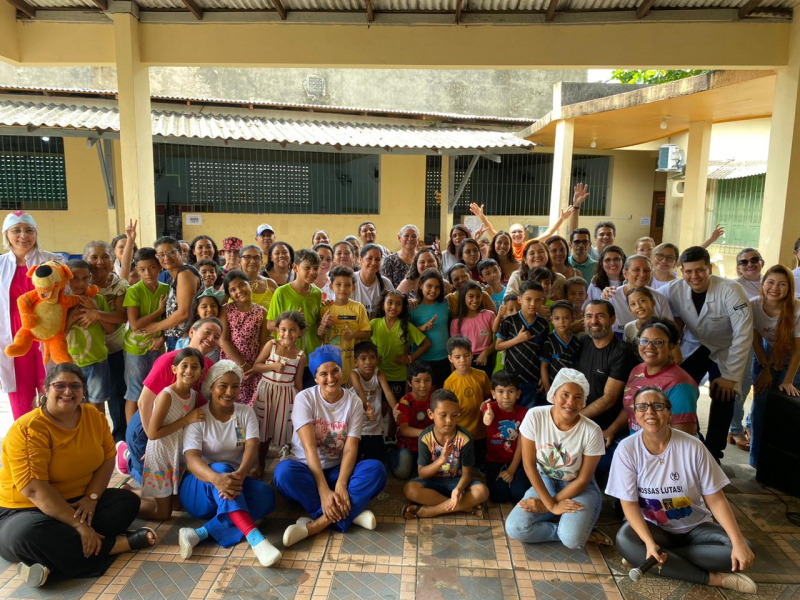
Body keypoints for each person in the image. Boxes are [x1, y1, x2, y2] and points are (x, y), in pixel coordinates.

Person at [0, 364, 155, 587]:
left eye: (75, 386)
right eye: (59, 386)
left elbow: (107, 459)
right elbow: (35, 490)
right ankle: (117, 545)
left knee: (126, 502)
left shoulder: (94, 416)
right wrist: (80, 526)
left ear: (83, 390)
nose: (68, 392)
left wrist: (91, 498)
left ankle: (50, 564)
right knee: (27, 534)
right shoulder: (29, 429)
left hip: (78, 504)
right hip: (24, 511)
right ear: (45, 389)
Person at [607, 387, 757, 594]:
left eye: (657, 406)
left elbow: (716, 499)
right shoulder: (627, 449)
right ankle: (714, 579)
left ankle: (655, 558)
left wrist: (738, 540)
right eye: (642, 407)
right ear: (635, 414)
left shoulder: (693, 447)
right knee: (625, 539)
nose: (649, 411)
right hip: (655, 529)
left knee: (741, 550)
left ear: (669, 413)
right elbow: (628, 503)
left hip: (696, 527)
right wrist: (650, 543)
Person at [272, 345, 387, 547]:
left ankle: (317, 524)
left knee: (376, 469)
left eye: (335, 371)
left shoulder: (353, 402)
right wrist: (324, 491)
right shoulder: (304, 399)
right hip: (306, 469)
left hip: (337, 470)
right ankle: (349, 514)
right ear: (315, 378)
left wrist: (341, 484)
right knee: (283, 473)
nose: (330, 378)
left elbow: (351, 447)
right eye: (323, 374)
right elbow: (308, 448)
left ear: (342, 372)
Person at [177, 361, 282, 567]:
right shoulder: (199, 416)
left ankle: (199, 533)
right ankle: (256, 540)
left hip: (234, 484)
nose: (229, 392)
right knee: (222, 469)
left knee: (266, 496)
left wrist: (241, 474)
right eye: (223, 386)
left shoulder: (245, 413)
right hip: (199, 488)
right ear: (211, 387)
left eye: (235, 386)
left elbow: (251, 446)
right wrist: (217, 479)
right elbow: (192, 459)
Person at [663, 246, 753, 462]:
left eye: (700, 270)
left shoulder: (731, 290)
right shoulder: (674, 288)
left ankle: (714, 454)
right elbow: (649, 296)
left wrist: (730, 377)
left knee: (724, 396)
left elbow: (743, 334)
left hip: (727, 348)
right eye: (688, 271)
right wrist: (616, 292)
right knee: (678, 391)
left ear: (709, 268)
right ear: (681, 271)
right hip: (696, 345)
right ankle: (678, 443)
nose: (694, 277)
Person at [504, 369, 606, 549]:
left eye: (577, 397)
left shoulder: (592, 431)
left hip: (578, 488)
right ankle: (567, 526)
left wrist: (545, 506)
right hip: (545, 482)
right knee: (515, 528)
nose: (570, 403)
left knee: (572, 541)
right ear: (553, 394)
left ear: (584, 401)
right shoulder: (535, 416)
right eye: (565, 395)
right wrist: (552, 505)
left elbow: (583, 479)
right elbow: (529, 465)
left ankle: (573, 527)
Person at [119, 318, 222, 483]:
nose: (211, 339)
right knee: (153, 483)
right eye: (207, 333)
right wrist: (152, 445)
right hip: (148, 428)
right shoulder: (169, 360)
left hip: (175, 431)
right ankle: (129, 461)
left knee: (174, 486)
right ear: (191, 332)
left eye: (216, 337)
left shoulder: (209, 366)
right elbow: (144, 403)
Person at [0, 211, 62, 420]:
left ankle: (54, 440)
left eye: (28, 230)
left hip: (46, 337)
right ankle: (26, 443)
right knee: (20, 396)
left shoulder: (53, 261)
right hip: (14, 339)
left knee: (52, 390)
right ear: (6, 235)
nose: (23, 236)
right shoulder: (0, 266)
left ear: (36, 233)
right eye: (16, 230)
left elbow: (65, 298)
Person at [402, 389, 490, 519]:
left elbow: (467, 474)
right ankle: (466, 508)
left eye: (454, 415)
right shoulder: (425, 437)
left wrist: (458, 489)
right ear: (430, 414)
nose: (449, 420)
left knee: (482, 492)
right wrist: (440, 461)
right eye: (443, 415)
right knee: (410, 489)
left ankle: (431, 511)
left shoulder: (465, 439)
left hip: (456, 482)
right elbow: (422, 473)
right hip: (432, 482)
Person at [139, 348, 205, 520]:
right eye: (184, 365)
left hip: (177, 455)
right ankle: (130, 500)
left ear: (201, 372)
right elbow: (153, 433)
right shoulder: (166, 396)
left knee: (178, 506)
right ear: (174, 369)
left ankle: (133, 491)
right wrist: (187, 419)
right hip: (161, 455)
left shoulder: (193, 396)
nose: (189, 371)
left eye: (195, 367)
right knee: (163, 514)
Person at [577, 300, 637, 478]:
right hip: (582, 420)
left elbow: (609, 398)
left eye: (600, 316)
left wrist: (574, 418)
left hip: (607, 426)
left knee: (604, 467)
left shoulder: (621, 352)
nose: (593, 321)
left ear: (612, 320)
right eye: (589, 316)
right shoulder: (583, 342)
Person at [749, 264, 800, 468]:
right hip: (766, 355)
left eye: (782, 284)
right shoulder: (753, 305)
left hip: (794, 360)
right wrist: (765, 369)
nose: (775, 288)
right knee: (760, 406)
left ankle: (780, 464)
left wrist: (787, 380)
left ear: (790, 287)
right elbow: (755, 339)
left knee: (786, 408)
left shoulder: (796, 308)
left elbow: (797, 351)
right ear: (762, 284)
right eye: (770, 282)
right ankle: (757, 459)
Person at [82, 239, 130, 442]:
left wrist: (97, 314)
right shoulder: (79, 284)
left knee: (118, 392)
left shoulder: (120, 285)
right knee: (90, 395)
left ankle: (119, 436)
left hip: (114, 346)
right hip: (87, 350)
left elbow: (122, 316)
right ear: (85, 260)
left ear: (112, 261)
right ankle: (91, 435)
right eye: (94, 257)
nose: (99, 262)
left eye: (105, 257)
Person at [620, 319, 699, 436]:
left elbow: (683, 437)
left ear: (671, 347)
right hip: (637, 444)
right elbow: (630, 408)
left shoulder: (680, 384)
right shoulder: (637, 370)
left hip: (665, 450)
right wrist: (610, 431)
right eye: (644, 341)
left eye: (658, 342)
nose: (649, 347)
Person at [252, 311, 306, 475]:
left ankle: (288, 463)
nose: (287, 334)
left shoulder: (300, 356)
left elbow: (297, 382)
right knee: (264, 431)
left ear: (300, 332)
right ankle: (260, 464)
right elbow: (256, 366)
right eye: (283, 329)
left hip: (286, 396)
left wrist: (301, 403)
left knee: (285, 429)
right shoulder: (272, 346)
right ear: (277, 330)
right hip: (266, 392)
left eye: (292, 330)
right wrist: (272, 367)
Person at [123, 248, 169, 423]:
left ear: (159, 267)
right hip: (135, 350)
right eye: (142, 270)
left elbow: (170, 321)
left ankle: (151, 429)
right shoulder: (134, 291)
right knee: (134, 393)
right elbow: (134, 324)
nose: (147, 273)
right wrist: (159, 310)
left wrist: (162, 338)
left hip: (157, 346)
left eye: (151, 268)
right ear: (136, 270)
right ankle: (130, 436)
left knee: (156, 391)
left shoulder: (166, 289)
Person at [64, 259, 113, 415]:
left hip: (96, 362)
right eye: (75, 278)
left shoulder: (98, 300)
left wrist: (97, 312)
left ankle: (98, 437)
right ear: (66, 279)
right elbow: (58, 336)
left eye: (85, 278)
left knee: (96, 405)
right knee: (72, 404)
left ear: (90, 278)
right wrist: (70, 318)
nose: (80, 283)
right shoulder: (61, 304)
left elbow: (110, 329)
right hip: (71, 363)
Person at [728, 247, 764, 450]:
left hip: (769, 340)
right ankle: (735, 429)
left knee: (762, 384)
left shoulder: (770, 281)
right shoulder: (734, 286)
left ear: (762, 262)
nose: (749, 264)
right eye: (744, 262)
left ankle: (750, 424)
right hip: (745, 341)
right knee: (742, 386)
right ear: (738, 267)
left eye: (754, 259)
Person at [496, 281, 550, 408]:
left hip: (532, 379)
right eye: (528, 299)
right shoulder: (509, 321)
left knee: (528, 415)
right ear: (520, 299)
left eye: (538, 300)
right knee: (510, 413)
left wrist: (543, 377)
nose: (533, 304)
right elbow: (498, 346)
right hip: (511, 379)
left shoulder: (543, 324)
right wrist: (517, 339)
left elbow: (544, 353)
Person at [219, 270, 269, 406]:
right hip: (231, 365)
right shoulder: (225, 310)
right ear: (229, 295)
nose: (239, 291)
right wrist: (242, 365)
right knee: (230, 401)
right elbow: (223, 340)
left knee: (251, 407)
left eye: (242, 285)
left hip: (253, 368)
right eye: (233, 289)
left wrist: (255, 367)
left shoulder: (262, 312)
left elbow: (263, 342)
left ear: (250, 285)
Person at [145, 236, 202, 351]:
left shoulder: (185, 274)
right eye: (161, 255)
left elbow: (183, 313)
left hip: (188, 339)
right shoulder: (173, 276)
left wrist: (155, 327)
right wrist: (164, 337)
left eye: (171, 252)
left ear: (181, 253)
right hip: (177, 338)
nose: (166, 258)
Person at [370, 290, 431, 399]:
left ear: (402, 308)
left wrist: (410, 358)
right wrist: (372, 356)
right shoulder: (373, 324)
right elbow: (364, 345)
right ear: (383, 305)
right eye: (390, 303)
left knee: (396, 409)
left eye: (398, 304)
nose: (394, 307)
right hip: (377, 374)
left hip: (399, 376)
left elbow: (426, 344)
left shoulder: (406, 326)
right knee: (381, 409)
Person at [481, 371, 530, 504]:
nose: (506, 397)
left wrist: (511, 470)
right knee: (499, 497)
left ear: (518, 394)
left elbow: (521, 445)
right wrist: (487, 418)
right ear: (493, 394)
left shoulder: (524, 413)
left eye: (510, 391)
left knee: (518, 495)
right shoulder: (490, 407)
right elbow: (486, 416)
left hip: (517, 461)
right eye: (501, 391)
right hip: (494, 461)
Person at [266, 249, 323, 364]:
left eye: (316, 268)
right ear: (295, 267)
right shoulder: (281, 292)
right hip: (287, 356)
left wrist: (324, 323)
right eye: (307, 268)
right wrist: (291, 321)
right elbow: (270, 324)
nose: (312, 272)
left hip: (312, 355)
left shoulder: (317, 293)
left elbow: (317, 323)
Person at [317, 265, 372, 382]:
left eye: (348, 285)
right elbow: (320, 337)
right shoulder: (325, 309)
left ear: (354, 288)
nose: (343, 288)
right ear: (331, 286)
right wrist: (322, 327)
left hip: (352, 364)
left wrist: (353, 335)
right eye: (338, 284)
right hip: (330, 364)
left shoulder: (358, 308)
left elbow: (367, 333)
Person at [443, 336, 492, 465]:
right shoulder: (449, 383)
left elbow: (489, 399)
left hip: (481, 433)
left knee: (481, 464)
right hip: (460, 434)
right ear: (450, 358)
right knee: (463, 465)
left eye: (466, 355)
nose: (462, 360)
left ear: (472, 355)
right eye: (457, 357)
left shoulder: (482, 376)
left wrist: (486, 406)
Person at [349, 341, 399, 463]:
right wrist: (367, 408)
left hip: (374, 428)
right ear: (356, 362)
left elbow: (387, 392)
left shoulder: (379, 374)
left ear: (377, 360)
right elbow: (360, 391)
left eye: (372, 358)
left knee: (377, 462)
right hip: (355, 428)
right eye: (363, 358)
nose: (368, 362)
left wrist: (395, 409)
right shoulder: (353, 374)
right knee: (353, 462)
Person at [390, 361, 434, 479]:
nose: (423, 385)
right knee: (402, 472)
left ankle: (416, 461)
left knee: (437, 470)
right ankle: (390, 451)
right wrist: (429, 432)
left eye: (427, 380)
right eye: (417, 381)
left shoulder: (435, 399)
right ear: (410, 383)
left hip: (430, 443)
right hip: (408, 443)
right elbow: (405, 430)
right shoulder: (405, 401)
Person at [608, 255, 673, 335]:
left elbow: (669, 330)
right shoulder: (611, 296)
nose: (642, 274)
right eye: (636, 270)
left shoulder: (659, 298)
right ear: (625, 273)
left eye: (646, 270)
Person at [409, 269, 452, 387]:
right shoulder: (413, 307)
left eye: (437, 287)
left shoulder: (445, 303)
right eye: (429, 286)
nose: (433, 290)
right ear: (421, 285)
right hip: (422, 359)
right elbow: (405, 334)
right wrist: (420, 328)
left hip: (444, 358)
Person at [623, 287, 683, 364]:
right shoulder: (629, 328)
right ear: (630, 309)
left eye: (642, 301)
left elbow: (677, 359)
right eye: (633, 304)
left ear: (653, 303)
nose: (638, 306)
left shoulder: (666, 326)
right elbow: (628, 355)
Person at [451, 281, 496, 378]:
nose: (475, 300)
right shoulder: (456, 322)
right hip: (465, 361)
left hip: (487, 359)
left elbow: (499, 339)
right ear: (463, 298)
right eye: (471, 296)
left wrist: (485, 353)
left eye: (478, 296)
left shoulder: (489, 315)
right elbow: (454, 348)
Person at [540, 300, 581, 393]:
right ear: (552, 320)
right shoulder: (548, 341)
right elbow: (544, 366)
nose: (561, 322)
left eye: (566, 318)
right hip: (553, 387)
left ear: (573, 319)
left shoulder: (577, 342)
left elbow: (578, 367)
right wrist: (548, 390)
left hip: (572, 388)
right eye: (557, 318)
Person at [353, 244, 395, 320]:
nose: (374, 263)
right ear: (360, 260)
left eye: (377, 259)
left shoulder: (386, 283)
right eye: (369, 258)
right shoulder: (350, 280)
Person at [240, 244, 277, 312]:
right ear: (239, 261)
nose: (252, 261)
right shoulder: (231, 283)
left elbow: (280, 311)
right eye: (247, 257)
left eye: (257, 258)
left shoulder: (271, 284)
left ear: (262, 262)